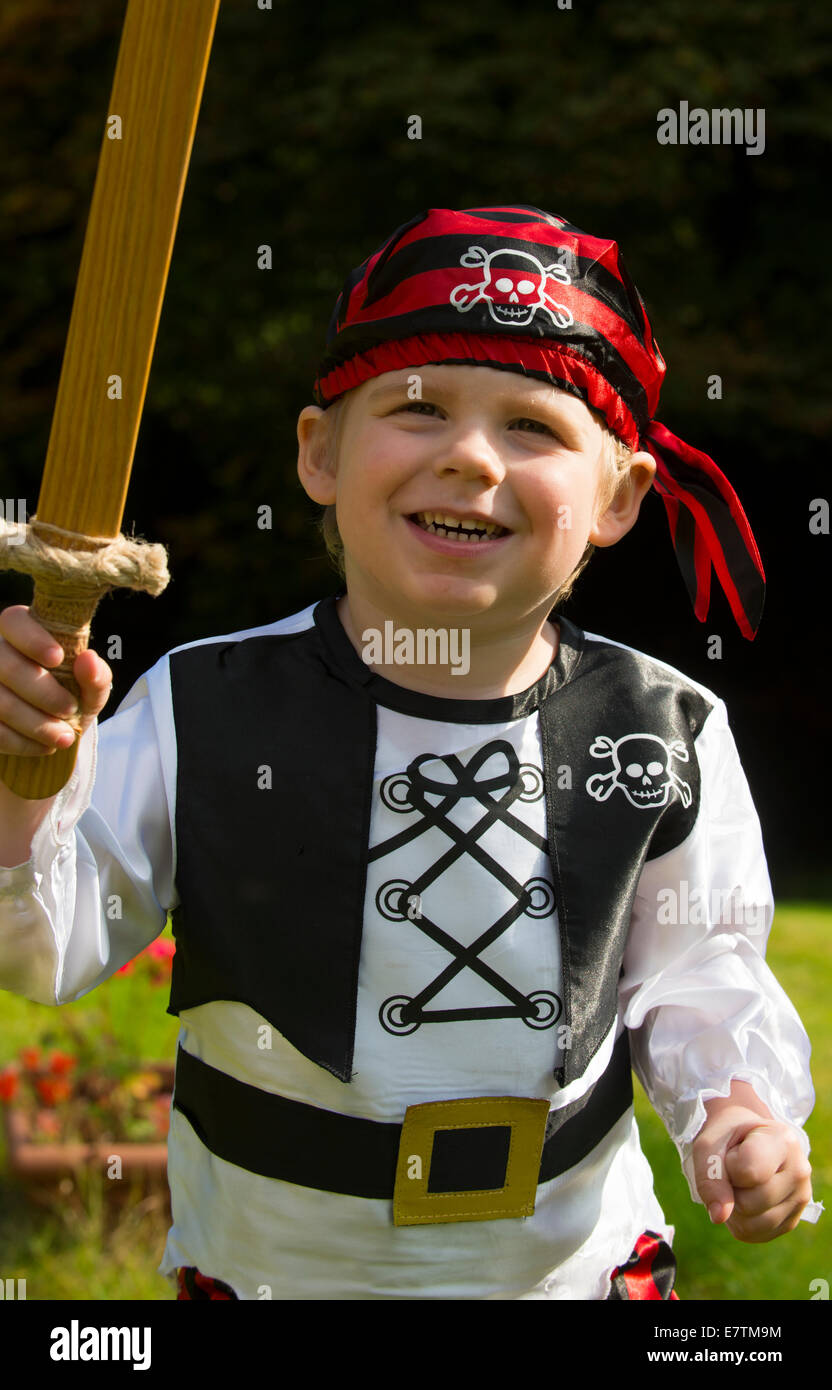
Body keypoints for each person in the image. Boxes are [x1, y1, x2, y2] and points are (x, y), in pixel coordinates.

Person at [0, 206, 820, 1301]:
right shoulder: (205, 704)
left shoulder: (664, 725)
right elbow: (44, 945)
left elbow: (697, 968)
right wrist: (23, 782)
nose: (470, 457)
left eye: (532, 426)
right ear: (320, 453)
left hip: (568, 1276)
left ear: (619, 495)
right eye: (417, 407)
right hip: (277, 1271)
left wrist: (733, 1110)